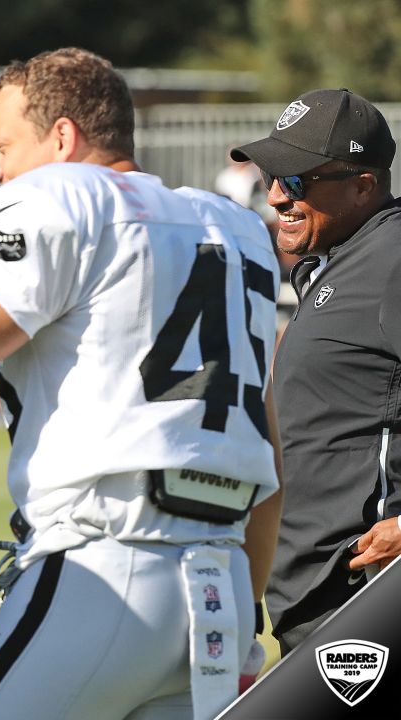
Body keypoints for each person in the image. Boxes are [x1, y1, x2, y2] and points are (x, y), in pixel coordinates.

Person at [0, 48, 281, 719]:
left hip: (105, 570)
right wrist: (245, 605)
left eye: (4, 145)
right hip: (222, 590)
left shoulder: (58, 196)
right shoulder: (237, 227)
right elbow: (267, 454)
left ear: (62, 137)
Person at [230, 88, 401, 654]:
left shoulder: (394, 259)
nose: (277, 195)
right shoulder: (335, 260)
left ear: (363, 185)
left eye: (299, 179)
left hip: (362, 603)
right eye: (270, 174)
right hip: (315, 604)